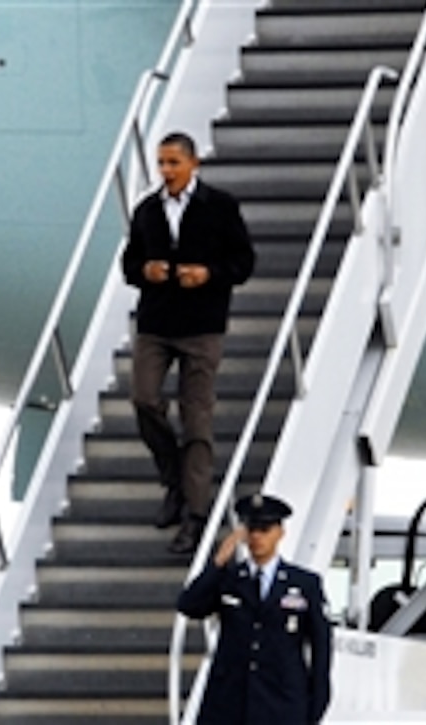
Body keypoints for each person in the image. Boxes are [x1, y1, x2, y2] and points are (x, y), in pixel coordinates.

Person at [120, 130, 256, 554]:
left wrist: (208, 275)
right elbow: (129, 263)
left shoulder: (220, 206)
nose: (166, 171)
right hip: (156, 324)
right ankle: (173, 479)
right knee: (144, 399)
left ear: (193, 163)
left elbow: (243, 262)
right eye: (161, 163)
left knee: (196, 420)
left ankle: (195, 516)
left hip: (201, 327)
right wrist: (147, 271)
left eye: (173, 163)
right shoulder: (147, 210)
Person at [176, 493, 332, 724]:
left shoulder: (304, 583)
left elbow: (321, 644)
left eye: (265, 529)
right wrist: (217, 563)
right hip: (230, 704)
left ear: (280, 533)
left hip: (281, 703)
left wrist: (316, 703)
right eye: (252, 529)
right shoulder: (229, 579)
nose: (257, 537)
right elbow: (189, 605)